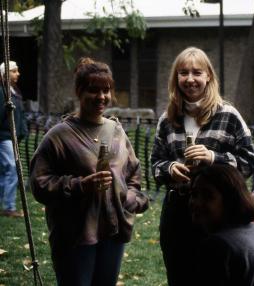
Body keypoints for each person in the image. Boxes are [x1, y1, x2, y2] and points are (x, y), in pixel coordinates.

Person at [29, 57, 149, 286]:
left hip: (113, 233)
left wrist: (128, 199)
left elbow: (134, 173)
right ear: (79, 91)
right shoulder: (59, 136)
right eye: (94, 90)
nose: (101, 97)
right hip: (74, 236)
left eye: (106, 90)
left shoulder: (116, 131)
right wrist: (80, 185)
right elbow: (39, 184)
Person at [151, 46, 254, 286]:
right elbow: (155, 166)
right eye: (183, 73)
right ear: (176, 78)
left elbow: (250, 163)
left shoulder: (229, 116)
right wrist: (169, 169)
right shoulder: (167, 120)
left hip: (218, 212)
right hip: (177, 211)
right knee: (179, 276)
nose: (190, 79)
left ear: (208, 76)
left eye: (197, 72)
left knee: (216, 277)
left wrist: (213, 158)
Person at [190, 164, 254, 286]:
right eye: (194, 194)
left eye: (208, 196)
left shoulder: (218, 245)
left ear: (229, 201)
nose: (196, 202)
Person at [0, 60, 28, 218]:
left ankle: (4, 204)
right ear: (5, 74)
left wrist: (21, 132)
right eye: (14, 71)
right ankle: (9, 206)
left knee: (5, 171)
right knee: (12, 168)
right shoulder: (2, 92)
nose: (18, 74)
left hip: (12, 137)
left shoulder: (14, 92)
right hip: (4, 137)